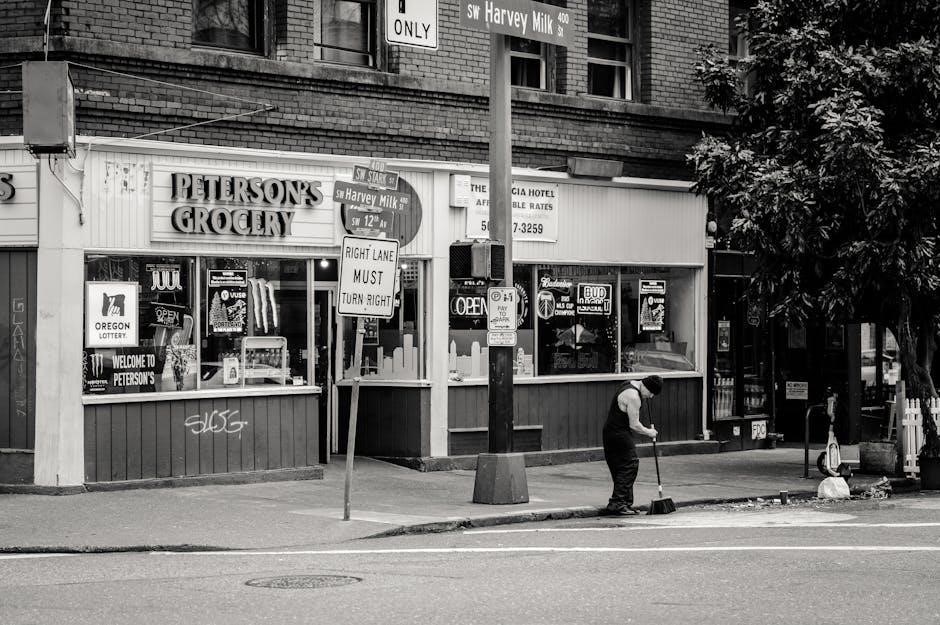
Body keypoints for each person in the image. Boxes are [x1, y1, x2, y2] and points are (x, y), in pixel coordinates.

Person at [602, 374, 662, 515]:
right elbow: (634, 425)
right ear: (646, 387)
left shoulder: (629, 383)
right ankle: (618, 503)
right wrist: (649, 432)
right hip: (619, 433)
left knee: (619, 466)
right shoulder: (634, 397)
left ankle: (624, 503)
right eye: (651, 392)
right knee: (630, 464)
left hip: (610, 432)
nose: (651, 396)